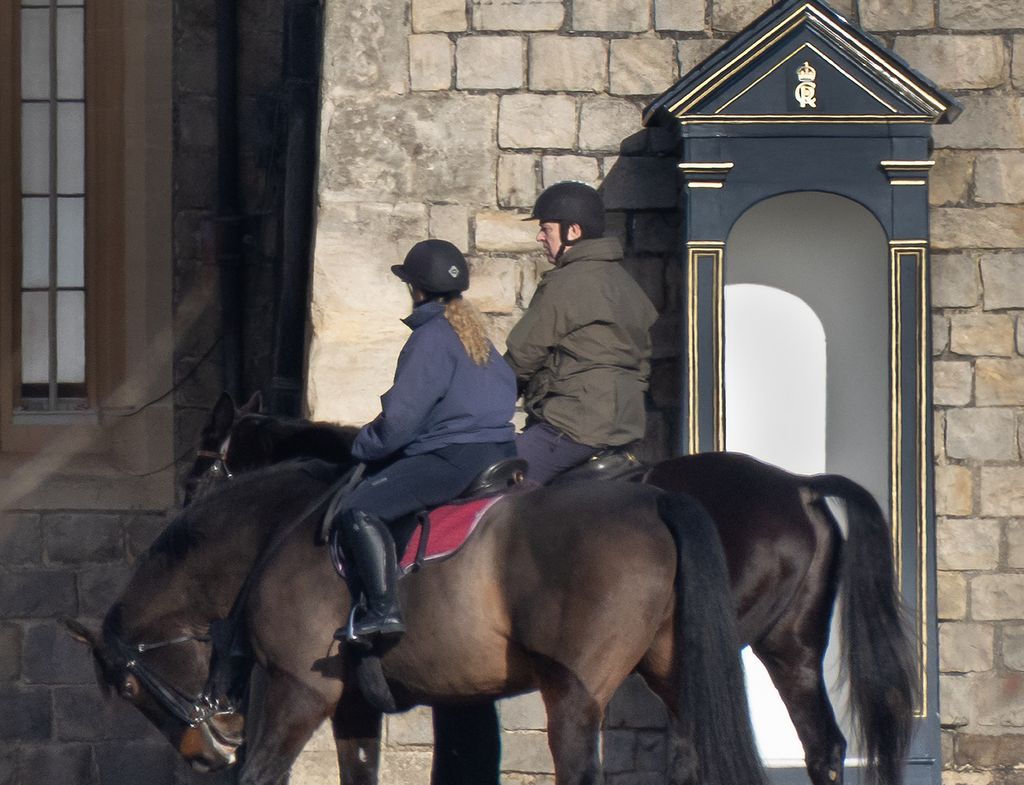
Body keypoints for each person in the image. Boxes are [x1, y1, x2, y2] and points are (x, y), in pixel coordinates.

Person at [332, 239, 517, 642]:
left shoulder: (429, 338)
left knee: (360, 508)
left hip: (454, 457)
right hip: (500, 450)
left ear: (416, 290)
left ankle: (382, 610)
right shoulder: (476, 336)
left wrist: (362, 445)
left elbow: (399, 421)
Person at [505, 181, 658, 484]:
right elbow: (643, 364)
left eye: (545, 229)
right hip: (624, 429)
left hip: (571, 426)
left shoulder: (566, 283)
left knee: (495, 476)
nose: (539, 237)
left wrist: (484, 400)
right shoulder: (628, 285)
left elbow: (523, 357)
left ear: (572, 231)